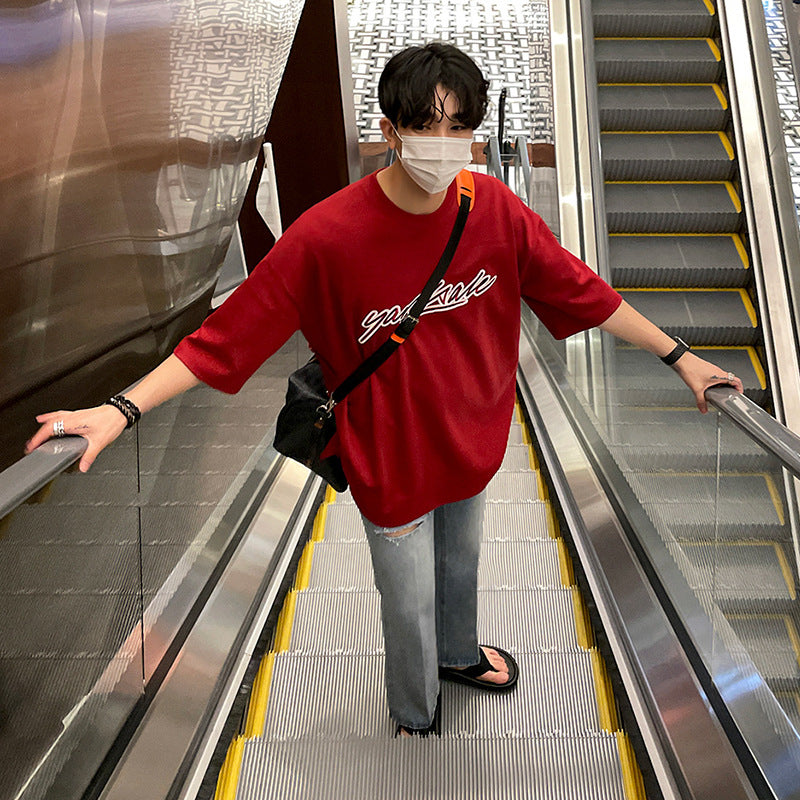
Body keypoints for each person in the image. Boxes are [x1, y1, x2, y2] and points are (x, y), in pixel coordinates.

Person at [26, 42, 743, 737]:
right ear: (389, 128)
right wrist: (119, 410)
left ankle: (458, 655)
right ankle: (414, 711)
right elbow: (224, 338)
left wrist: (678, 355)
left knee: (461, 565)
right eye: (425, 124)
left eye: (459, 126)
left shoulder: (492, 208)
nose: (442, 141)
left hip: (473, 446)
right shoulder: (327, 237)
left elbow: (581, 290)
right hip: (390, 462)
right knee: (406, 602)